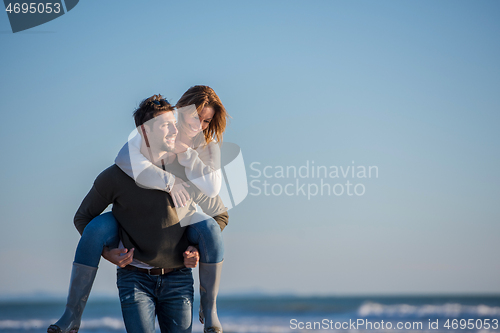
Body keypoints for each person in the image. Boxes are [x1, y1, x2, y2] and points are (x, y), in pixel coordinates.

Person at [47, 94, 229, 333]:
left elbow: (219, 216)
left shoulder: (187, 172)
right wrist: (107, 253)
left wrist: (196, 249)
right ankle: (71, 316)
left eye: (173, 124)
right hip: (134, 279)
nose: (175, 130)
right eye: (165, 126)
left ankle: (210, 310)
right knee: (98, 225)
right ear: (144, 132)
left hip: (178, 279)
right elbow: (82, 217)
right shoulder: (116, 175)